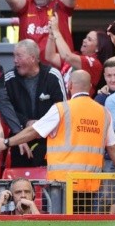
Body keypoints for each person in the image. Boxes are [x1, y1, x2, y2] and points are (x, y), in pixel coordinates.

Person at [0, 70, 115, 214]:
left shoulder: (61, 109)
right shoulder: (103, 112)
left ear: (70, 85)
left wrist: (7, 142)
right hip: (89, 183)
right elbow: (113, 147)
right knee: (83, 224)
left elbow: (34, 131)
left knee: (57, 225)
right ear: (90, 86)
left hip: (61, 183)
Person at [4, 39, 67, 167]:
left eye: (19, 56)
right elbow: (7, 111)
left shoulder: (53, 76)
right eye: (14, 56)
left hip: (50, 141)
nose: (15, 60)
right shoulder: (9, 79)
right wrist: (26, 123)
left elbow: (62, 109)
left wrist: (41, 125)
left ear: (32, 58)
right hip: (20, 140)